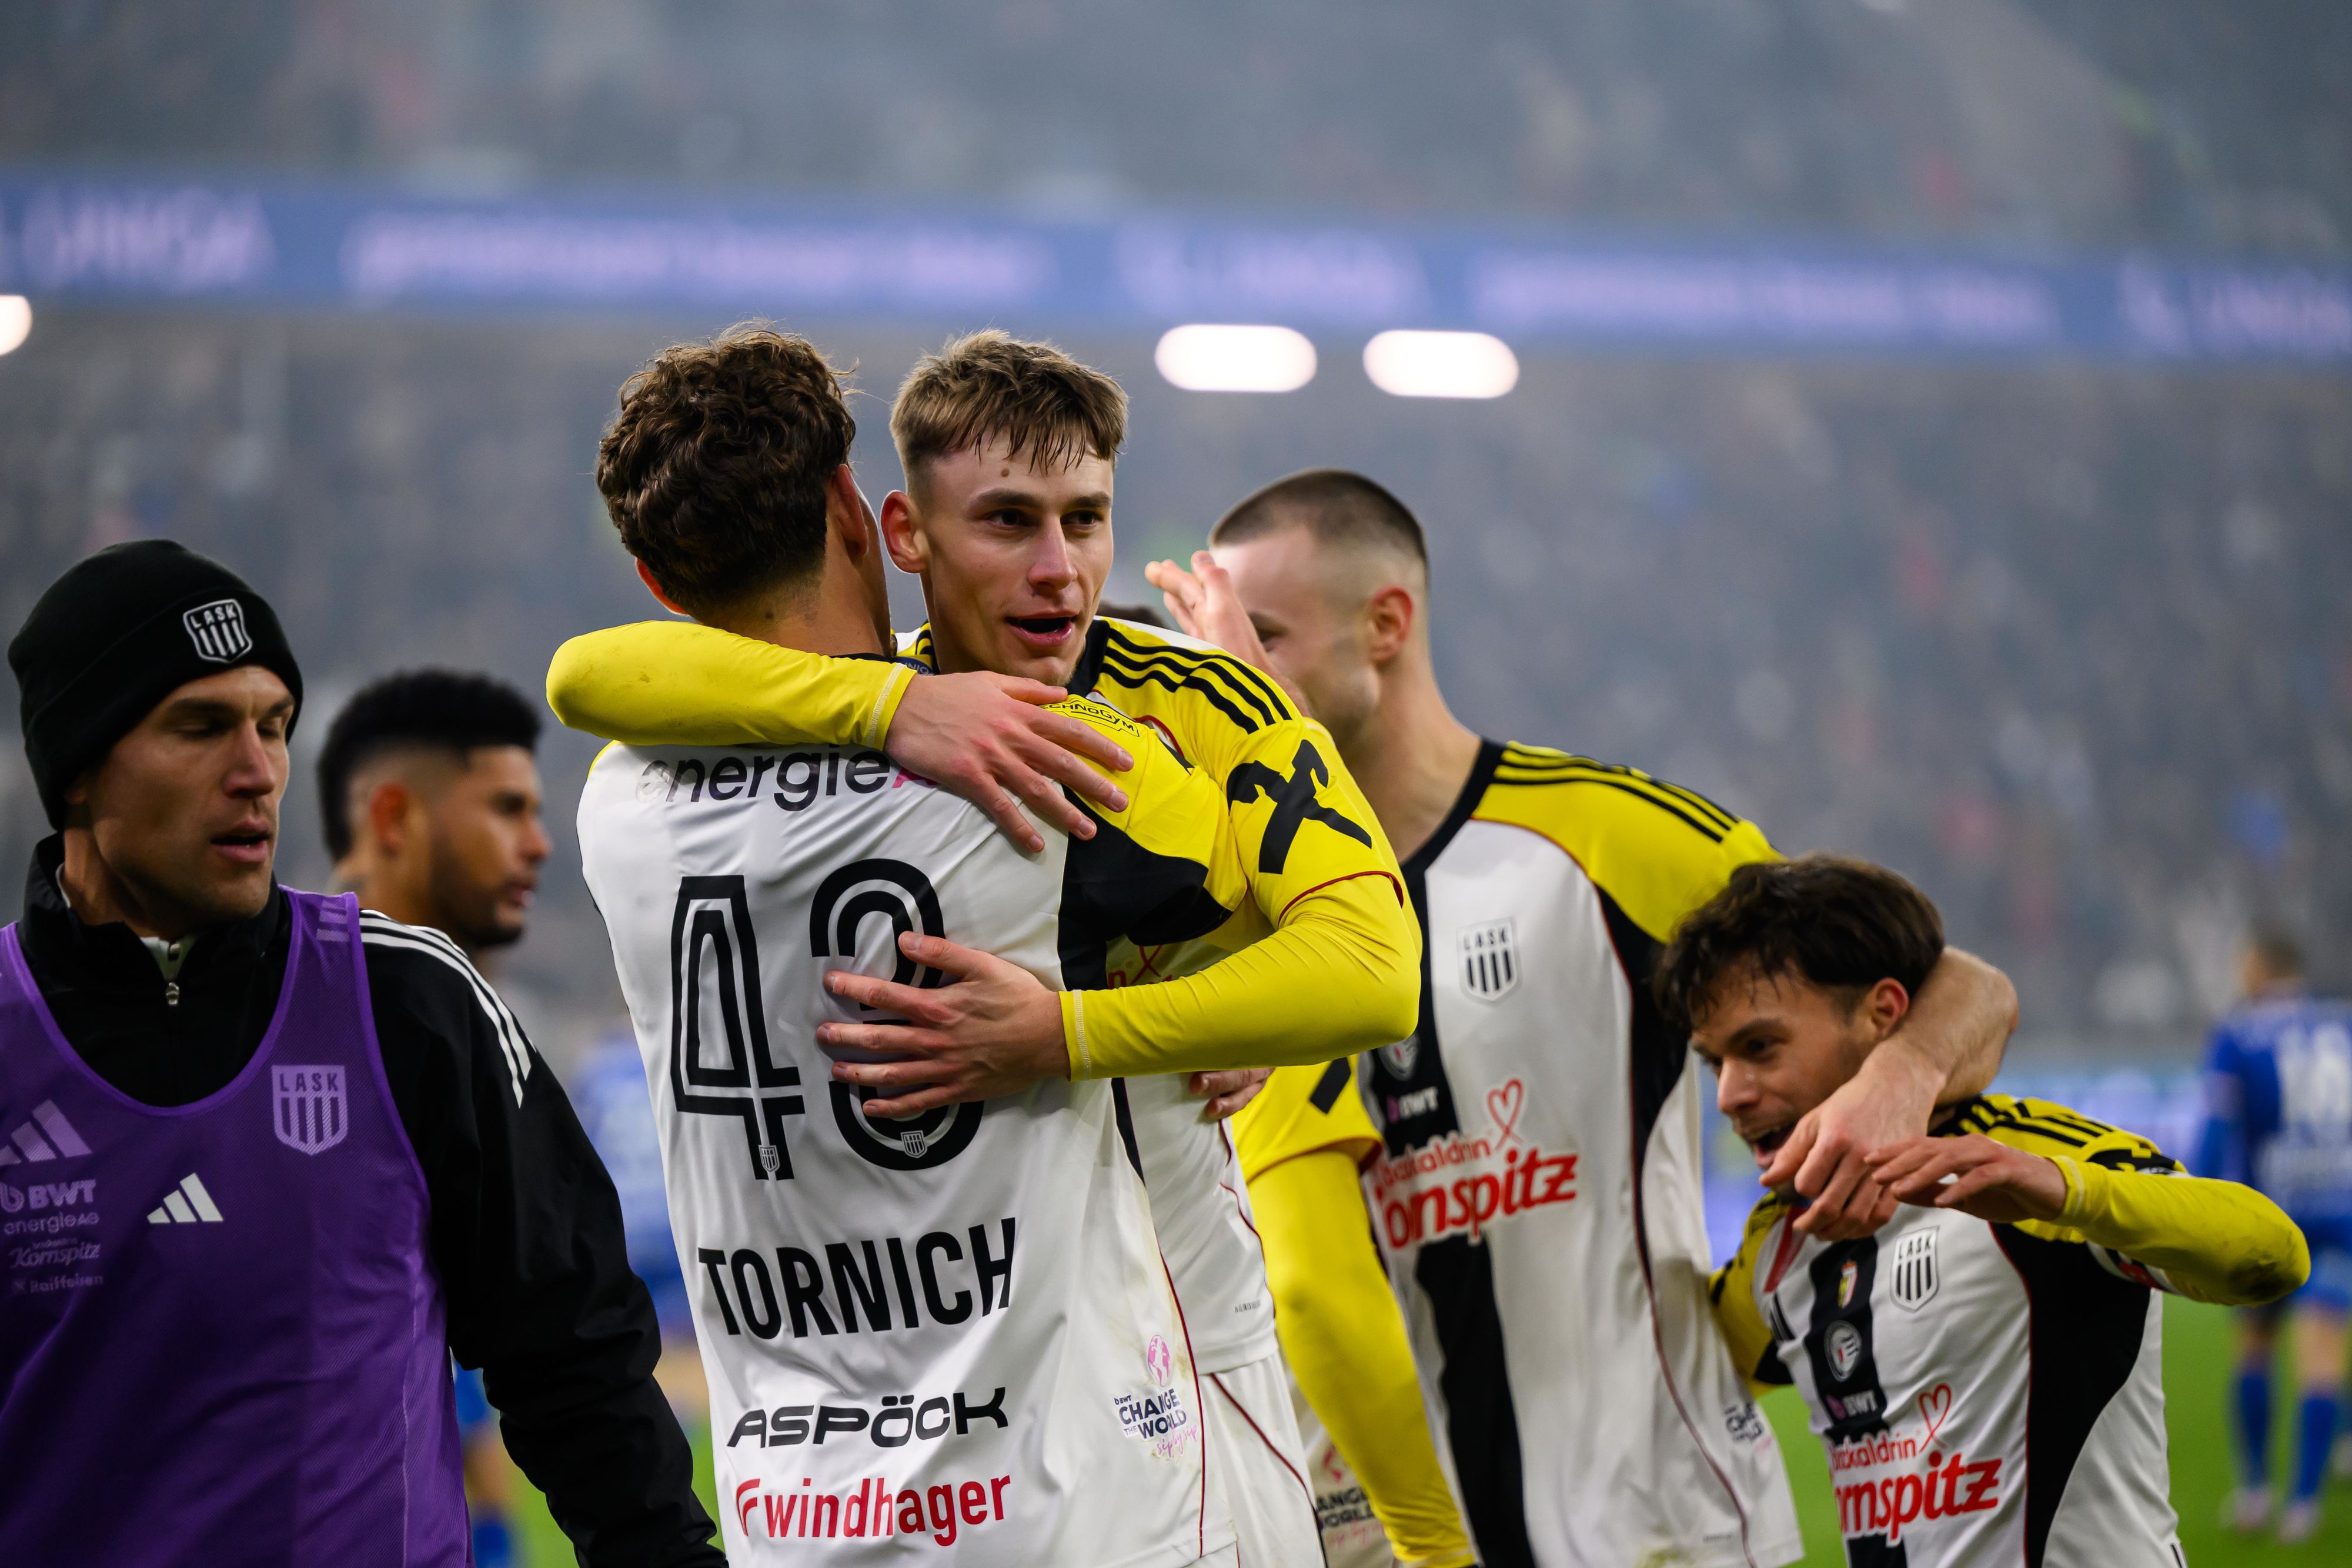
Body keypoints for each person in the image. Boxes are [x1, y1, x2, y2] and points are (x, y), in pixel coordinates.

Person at [546, 333, 1466, 1566]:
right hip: (1096, 1445)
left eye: (1086, 520)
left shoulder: (625, 793)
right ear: (888, 528)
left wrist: (1174, 1004)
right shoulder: (1068, 762)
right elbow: (1362, 965)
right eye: (1005, 521)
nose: (1058, 569)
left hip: (893, 1456)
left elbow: (587, 674)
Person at [1142, 469, 2022, 1567]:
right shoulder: (1257, 918)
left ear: (1387, 623)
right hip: (1406, 1533)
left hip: (1669, 1525)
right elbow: (1309, 1290)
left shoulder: (1607, 841)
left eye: (1261, 635)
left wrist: (1897, 1078)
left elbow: (1964, 988)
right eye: (1210, 648)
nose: (1233, 674)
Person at [0, 540, 720, 1566]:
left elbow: (580, 1365)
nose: (256, 772)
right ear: (76, 771)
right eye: (200, 727)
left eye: (274, 726)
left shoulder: (412, 1001)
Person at [1675, 854, 2308, 1565]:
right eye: (1714, 1063)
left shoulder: (2014, 1156)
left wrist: (2064, 1192)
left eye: (1760, 1047)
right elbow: (1683, 1364)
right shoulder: (1780, 1241)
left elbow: (2272, 1256)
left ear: (1884, 1016)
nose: (1729, 1093)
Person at [315, 668, 554, 1568]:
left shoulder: (457, 1028)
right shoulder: (310, 1038)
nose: (537, 844)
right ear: (393, 819)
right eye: (505, 808)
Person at [2197, 925, 2352, 1543]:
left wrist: (2202, 1207)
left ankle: (2256, 1491)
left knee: (2256, 1347)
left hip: (2275, 1217)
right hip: (2340, 1215)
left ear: (2260, 967)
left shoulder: (2238, 1034)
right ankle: (2304, 1506)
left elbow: (2217, 1131)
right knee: (2321, 1354)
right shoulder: (2343, 1023)